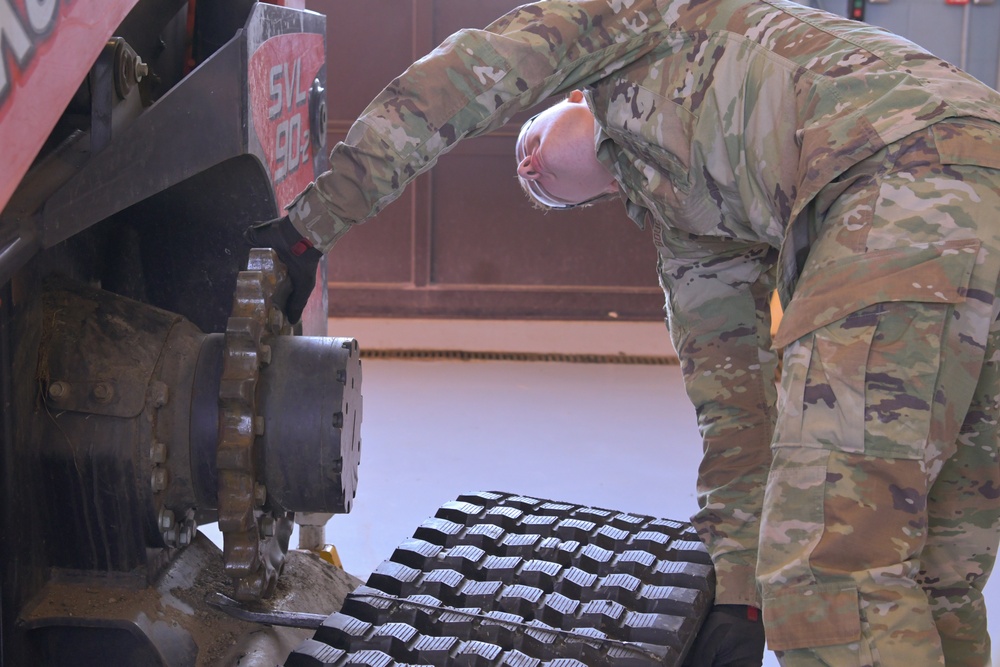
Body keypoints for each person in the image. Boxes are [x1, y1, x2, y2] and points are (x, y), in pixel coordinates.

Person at [246, 0, 1000, 664]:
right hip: (959, 181)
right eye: (536, 187)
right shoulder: (697, 231)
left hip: (898, 177)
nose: (534, 167)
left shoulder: (633, 21)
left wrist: (312, 226)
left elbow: (460, 82)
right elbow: (737, 415)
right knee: (935, 567)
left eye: (528, 151)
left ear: (562, 102)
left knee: (832, 572)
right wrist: (738, 597)